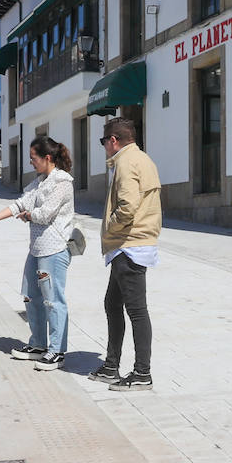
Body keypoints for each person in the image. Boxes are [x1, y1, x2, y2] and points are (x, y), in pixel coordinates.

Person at [0, 136, 75, 371]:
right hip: (37, 248)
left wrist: (29, 215)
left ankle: (57, 351)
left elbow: (45, 214)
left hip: (54, 248)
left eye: (33, 158)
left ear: (47, 158)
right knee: (30, 294)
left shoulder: (62, 182)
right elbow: (19, 204)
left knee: (53, 300)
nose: (31, 163)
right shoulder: (41, 181)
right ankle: (39, 344)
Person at [89, 116, 161, 391]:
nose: (104, 146)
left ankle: (142, 373)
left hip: (129, 244)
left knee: (136, 311)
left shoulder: (125, 162)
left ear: (114, 140)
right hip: (132, 244)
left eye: (103, 141)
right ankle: (110, 365)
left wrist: (111, 227)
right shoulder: (143, 158)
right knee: (112, 304)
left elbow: (128, 206)